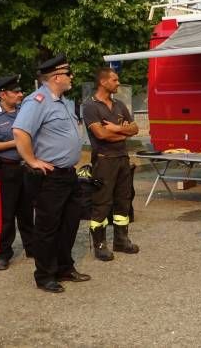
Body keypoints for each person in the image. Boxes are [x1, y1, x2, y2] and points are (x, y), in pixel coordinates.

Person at [13, 54, 90, 293]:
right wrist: (32, 160)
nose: (71, 77)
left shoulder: (65, 102)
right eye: (68, 74)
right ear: (57, 77)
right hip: (50, 177)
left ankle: (64, 267)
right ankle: (45, 275)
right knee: (47, 227)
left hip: (68, 174)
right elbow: (20, 132)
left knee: (69, 223)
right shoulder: (36, 101)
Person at [83, 68, 139, 261]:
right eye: (115, 80)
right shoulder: (90, 106)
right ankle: (100, 245)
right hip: (104, 161)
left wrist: (116, 128)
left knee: (123, 200)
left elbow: (135, 129)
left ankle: (121, 240)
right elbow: (101, 135)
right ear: (103, 82)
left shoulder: (119, 104)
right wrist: (123, 133)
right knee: (102, 203)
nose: (118, 83)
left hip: (122, 158)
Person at [0, 75, 34, 270]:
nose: (21, 94)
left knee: (27, 211)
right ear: (3, 94)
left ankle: (31, 247)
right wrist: (16, 142)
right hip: (5, 169)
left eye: (20, 91)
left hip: (25, 167)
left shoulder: (24, 112)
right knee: (6, 214)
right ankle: (3, 253)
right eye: (16, 92)